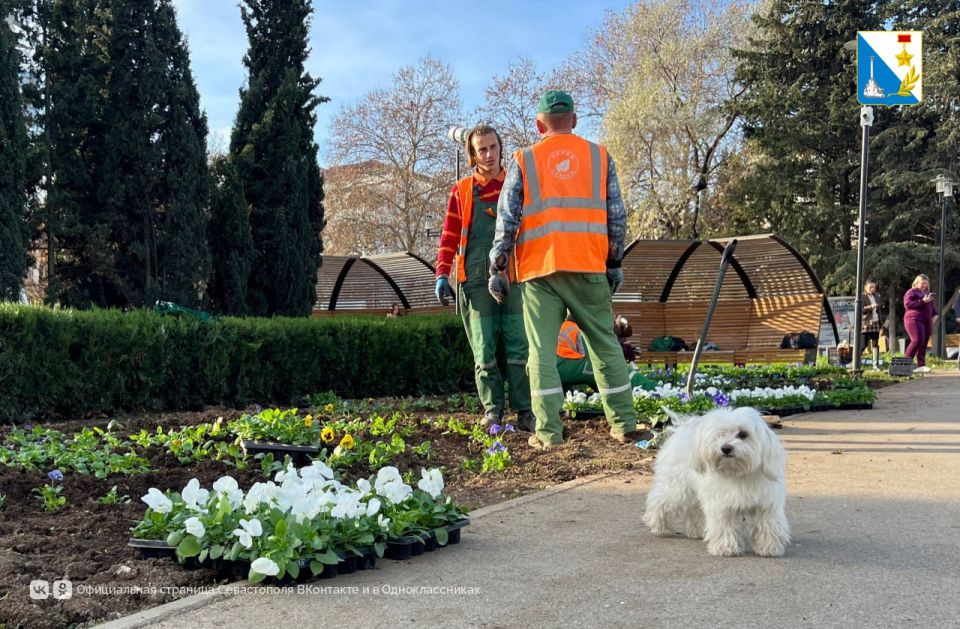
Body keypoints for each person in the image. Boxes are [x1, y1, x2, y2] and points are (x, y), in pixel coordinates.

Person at [487, 89, 640, 450]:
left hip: (540, 271)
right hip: (589, 265)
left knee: (541, 353)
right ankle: (625, 425)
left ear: (539, 124)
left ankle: (549, 434)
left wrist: (498, 264)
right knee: (605, 346)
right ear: (574, 120)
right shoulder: (599, 156)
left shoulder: (524, 159)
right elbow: (616, 215)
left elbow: (507, 218)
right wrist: (614, 263)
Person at [433, 124, 534, 430]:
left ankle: (526, 410)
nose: (489, 155)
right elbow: (449, 236)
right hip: (475, 282)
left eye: (493, 147)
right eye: (482, 150)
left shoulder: (517, 186)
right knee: (484, 347)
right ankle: (493, 410)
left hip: (515, 277)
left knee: (519, 347)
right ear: (472, 155)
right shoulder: (462, 191)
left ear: (501, 149)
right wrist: (442, 272)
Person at [557, 317, 655, 391]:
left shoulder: (564, 325)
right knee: (607, 366)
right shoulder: (579, 330)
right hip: (561, 362)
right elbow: (595, 362)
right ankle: (651, 388)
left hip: (551, 366)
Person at [903, 274, 937, 373]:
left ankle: (921, 365)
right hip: (914, 319)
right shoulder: (911, 292)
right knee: (917, 340)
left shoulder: (927, 295)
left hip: (926, 322)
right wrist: (922, 301)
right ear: (916, 283)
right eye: (923, 283)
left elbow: (931, 308)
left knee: (923, 343)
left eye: (926, 283)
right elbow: (908, 304)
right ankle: (905, 364)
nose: (924, 285)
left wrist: (935, 315)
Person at [861, 280, 887, 370]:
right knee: (863, 344)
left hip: (875, 322)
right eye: (870, 287)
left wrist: (882, 322)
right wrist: (871, 306)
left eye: (873, 287)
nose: (872, 289)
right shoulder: (862, 296)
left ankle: (875, 365)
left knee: (876, 344)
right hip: (866, 323)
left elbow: (880, 310)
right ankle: (855, 362)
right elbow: (860, 309)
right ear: (865, 287)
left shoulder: (877, 296)